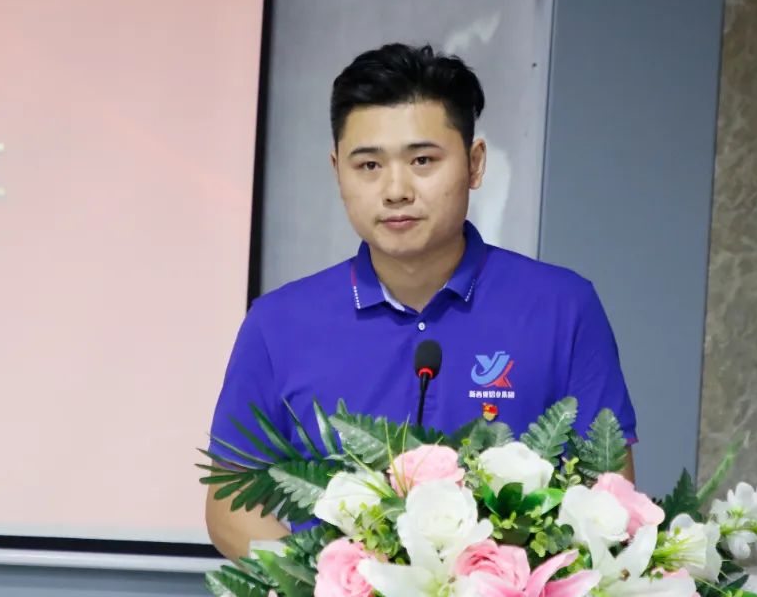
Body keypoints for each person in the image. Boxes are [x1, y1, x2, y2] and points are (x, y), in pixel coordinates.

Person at [205, 43, 637, 561]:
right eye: (368, 165)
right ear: (338, 170)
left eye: (423, 161)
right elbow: (231, 501)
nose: (396, 190)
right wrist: (325, 581)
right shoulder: (278, 323)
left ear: (474, 164)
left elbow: (609, 494)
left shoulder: (562, 308)